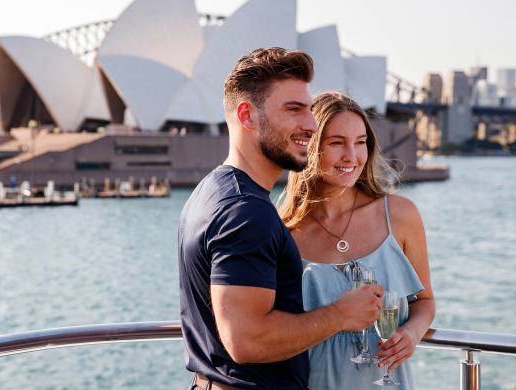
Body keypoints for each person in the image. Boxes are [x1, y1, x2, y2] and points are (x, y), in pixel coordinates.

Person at [178, 48, 383, 390]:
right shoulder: (246, 212)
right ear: (247, 116)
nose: (311, 124)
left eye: (308, 109)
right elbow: (246, 341)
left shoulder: (212, 190)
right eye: (294, 109)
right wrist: (341, 315)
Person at [278, 91, 436, 389]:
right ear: (311, 147)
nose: (352, 156)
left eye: (360, 142)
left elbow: (424, 301)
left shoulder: (401, 216)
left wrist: (412, 334)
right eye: (337, 142)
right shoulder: (285, 232)